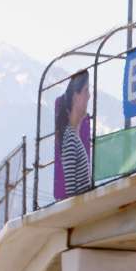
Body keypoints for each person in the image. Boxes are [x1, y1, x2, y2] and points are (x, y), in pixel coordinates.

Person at [54, 71, 92, 199]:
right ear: (76, 97)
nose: (89, 96)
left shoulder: (73, 136)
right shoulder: (70, 139)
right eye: (86, 91)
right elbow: (70, 191)